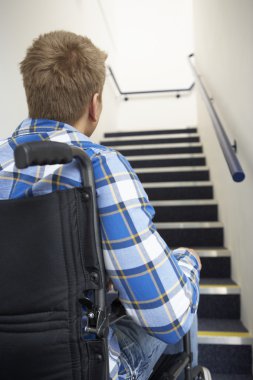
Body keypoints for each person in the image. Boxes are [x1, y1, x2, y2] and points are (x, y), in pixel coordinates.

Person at [0, 31, 201, 380]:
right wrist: (188, 263)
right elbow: (167, 319)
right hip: (85, 369)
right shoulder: (98, 167)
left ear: (31, 96)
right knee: (176, 286)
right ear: (94, 105)